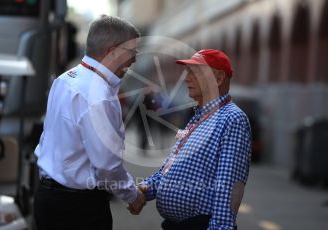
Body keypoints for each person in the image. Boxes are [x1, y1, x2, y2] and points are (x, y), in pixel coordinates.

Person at [33, 15, 146, 230]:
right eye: (132, 52)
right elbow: (107, 166)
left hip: (48, 199)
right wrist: (132, 196)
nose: (134, 60)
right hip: (78, 208)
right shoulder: (99, 94)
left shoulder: (64, 79)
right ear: (112, 51)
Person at [139, 49, 252, 230]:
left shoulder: (232, 119)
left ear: (218, 79)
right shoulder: (199, 116)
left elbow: (229, 185)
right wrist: (143, 190)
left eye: (195, 73)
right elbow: (170, 169)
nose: (186, 78)